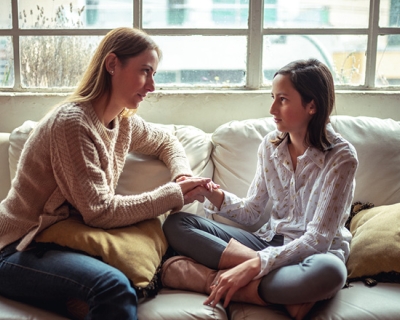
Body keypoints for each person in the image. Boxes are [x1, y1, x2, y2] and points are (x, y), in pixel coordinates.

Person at [0, 27, 211, 320]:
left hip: (61, 240)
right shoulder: (73, 123)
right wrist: (172, 195)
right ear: (112, 64)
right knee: (113, 287)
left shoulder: (121, 123)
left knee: (152, 261)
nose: (152, 85)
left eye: (154, 74)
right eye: (145, 72)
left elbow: (166, 141)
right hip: (17, 246)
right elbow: (99, 212)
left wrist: (182, 176)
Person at [161, 58, 358, 320]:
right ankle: (280, 293)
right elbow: (252, 212)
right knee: (177, 224)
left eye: (283, 100)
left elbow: (317, 240)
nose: (272, 108)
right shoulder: (270, 145)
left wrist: (256, 265)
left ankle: (208, 279)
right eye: (273, 97)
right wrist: (210, 193)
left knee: (330, 273)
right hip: (267, 243)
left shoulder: (341, 157)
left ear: (312, 105)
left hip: (314, 255)